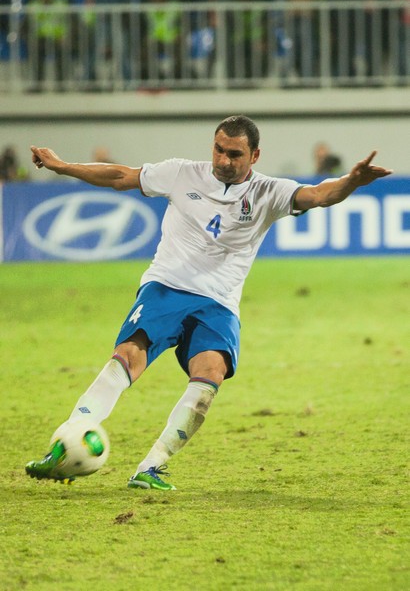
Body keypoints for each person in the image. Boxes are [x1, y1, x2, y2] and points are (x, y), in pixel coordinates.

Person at [26, 115, 392, 491]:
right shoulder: (181, 173)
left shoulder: (268, 191)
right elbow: (121, 176)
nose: (223, 160)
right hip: (167, 287)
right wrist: (62, 166)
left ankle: (150, 468)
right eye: (219, 150)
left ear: (254, 156)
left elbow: (319, 195)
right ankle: (64, 445)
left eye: (235, 154)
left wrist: (351, 181)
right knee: (129, 356)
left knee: (210, 375)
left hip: (219, 303)